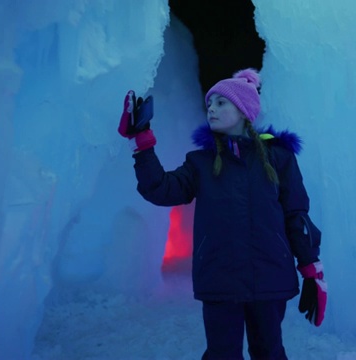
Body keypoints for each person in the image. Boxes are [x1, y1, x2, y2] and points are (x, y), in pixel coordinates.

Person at [118, 69, 327, 360]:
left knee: (269, 352)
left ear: (243, 110)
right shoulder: (200, 163)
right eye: (209, 104)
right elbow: (161, 189)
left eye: (220, 103)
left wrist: (311, 269)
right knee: (222, 354)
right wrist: (140, 143)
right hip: (220, 277)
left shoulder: (279, 158)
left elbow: (296, 215)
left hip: (269, 276)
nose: (212, 109)